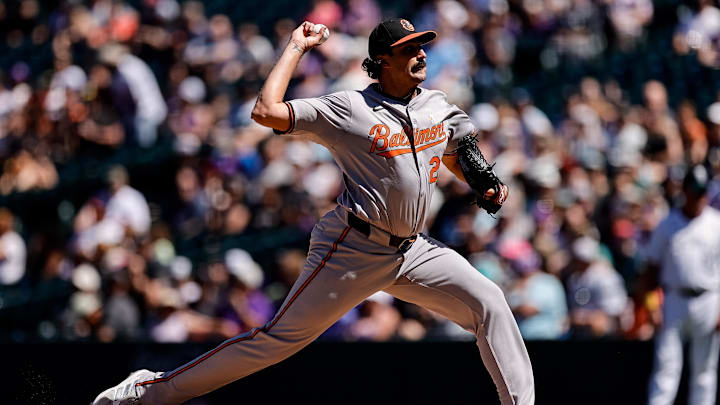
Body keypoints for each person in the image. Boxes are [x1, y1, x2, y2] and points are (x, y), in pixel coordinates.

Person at [91, 18, 534, 405]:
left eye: (421, 46)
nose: (420, 54)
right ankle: (149, 392)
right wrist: (296, 48)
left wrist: (483, 181)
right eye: (408, 49)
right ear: (381, 59)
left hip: (415, 251)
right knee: (274, 343)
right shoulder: (349, 109)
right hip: (353, 248)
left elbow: (457, 150)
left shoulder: (436, 104)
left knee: (490, 302)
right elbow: (266, 112)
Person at [645, 165, 720, 405]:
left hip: (709, 299)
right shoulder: (667, 224)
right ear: (685, 191)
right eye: (694, 191)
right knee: (666, 368)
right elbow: (650, 270)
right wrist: (652, 305)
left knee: (705, 371)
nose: (698, 197)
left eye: (702, 192)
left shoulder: (716, 224)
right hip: (673, 299)